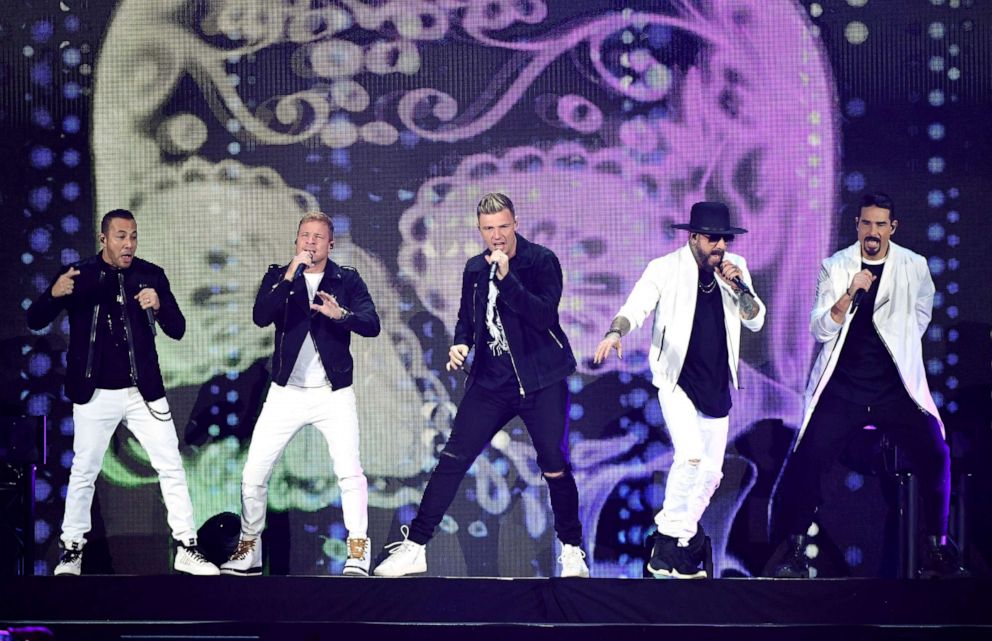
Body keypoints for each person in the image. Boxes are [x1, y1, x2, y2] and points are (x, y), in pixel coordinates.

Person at [374, 193, 589, 578]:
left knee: (554, 467)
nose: (497, 236)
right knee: (452, 460)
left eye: (503, 227)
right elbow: (466, 318)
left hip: (542, 381)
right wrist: (461, 343)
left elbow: (542, 315)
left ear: (515, 223)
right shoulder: (475, 268)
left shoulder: (541, 261)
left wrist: (507, 281)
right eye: (489, 229)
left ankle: (571, 549)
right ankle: (416, 547)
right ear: (480, 230)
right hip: (491, 383)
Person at [770, 192, 967, 578]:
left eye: (880, 225)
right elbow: (820, 328)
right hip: (844, 388)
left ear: (892, 228)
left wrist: (899, 348)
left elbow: (921, 317)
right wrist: (849, 293)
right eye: (866, 224)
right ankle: (795, 548)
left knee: (936, 453)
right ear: (856, 225)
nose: (872, 232)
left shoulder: (915, 266)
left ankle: (936, 547)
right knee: (807, 458)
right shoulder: (836, 266)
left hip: (895, 389)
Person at [26, 209, 218, 576]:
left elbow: (177, 328)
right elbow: (35, 320)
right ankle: (72, 551)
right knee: (84, 470)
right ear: (104, 239)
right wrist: (53, 294)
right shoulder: (78, 275)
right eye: (120, 236)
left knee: (171, 465)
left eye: (133, 236)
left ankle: (186, 546)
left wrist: (159, 304)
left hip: (143, 391)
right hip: (94, 392)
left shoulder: (151, 275)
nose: (128, 244)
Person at [594, 201, 765, 578]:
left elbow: (755, 320)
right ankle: (666, 542)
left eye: (724, 238)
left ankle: (680, 545)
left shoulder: (734, 271)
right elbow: (636, 305)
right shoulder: (666, 269)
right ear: (693, 238)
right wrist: (616, 330)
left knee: (711, 474)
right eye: (711, 239)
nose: (719, 246)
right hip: (677, 383)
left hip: (717, 386)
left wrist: (739, 288)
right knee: (689, 456)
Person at [220, 212, 381, 576]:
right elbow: (261, 315)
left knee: (350, 473)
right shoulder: (280, 277)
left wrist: (342, 316)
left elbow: (372, 323)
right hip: (286, 393)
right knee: (254, 473)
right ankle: (249, 547)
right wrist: (290, 273)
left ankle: (358, 549)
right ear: (296, 241)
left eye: (318, 237)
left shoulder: (347, 280)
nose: (311, 243)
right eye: (305, 236)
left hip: (333, 393)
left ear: (331, 244)